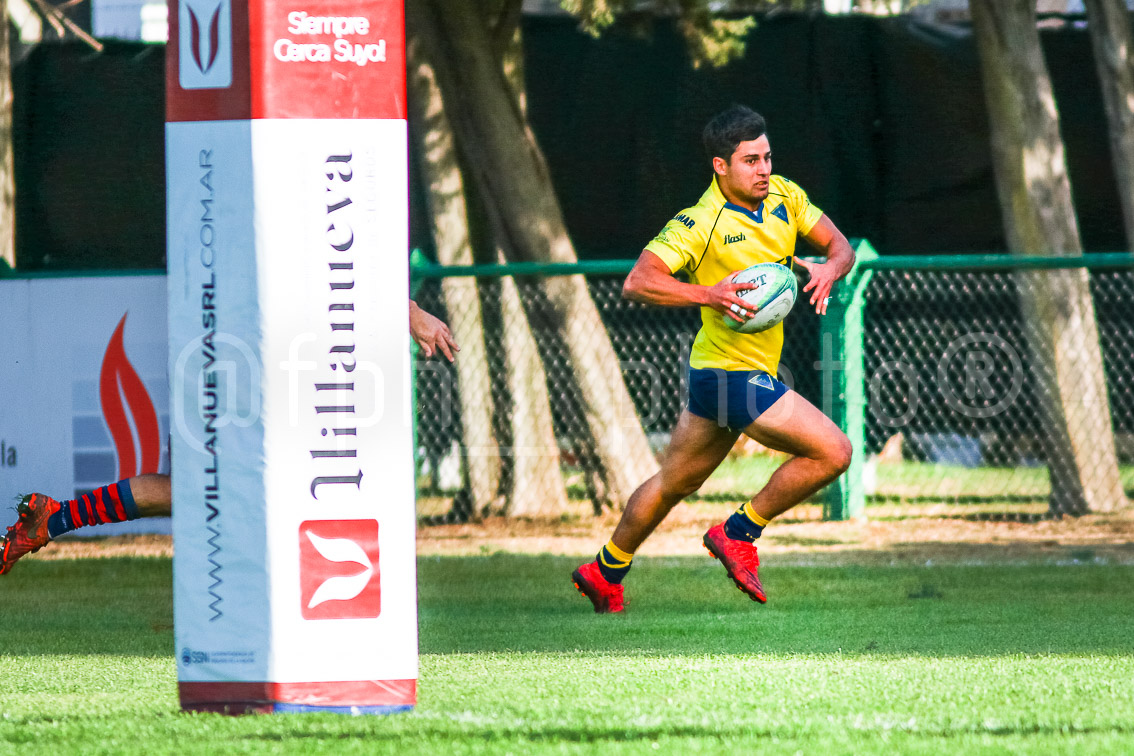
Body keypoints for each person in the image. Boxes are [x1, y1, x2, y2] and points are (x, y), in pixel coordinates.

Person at [571, 105, 855, 613]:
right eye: (750, 161)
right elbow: (639, 281)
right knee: (833, 451)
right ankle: (738, 533)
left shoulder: (785, 196)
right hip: (727, 375)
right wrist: (710, 295)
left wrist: (830, 268)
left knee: (672, 484)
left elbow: (839, 244)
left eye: (767, 157)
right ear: (721, 167)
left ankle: (605, 569)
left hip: (727, 376)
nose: (764, 169)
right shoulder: (699, 222)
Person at [0, 300, 457, 575]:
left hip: (229, 348)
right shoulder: (313, 167)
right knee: (253, 483)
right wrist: (410, 312)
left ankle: (53, 519)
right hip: (239, 354)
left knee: (192, 489)